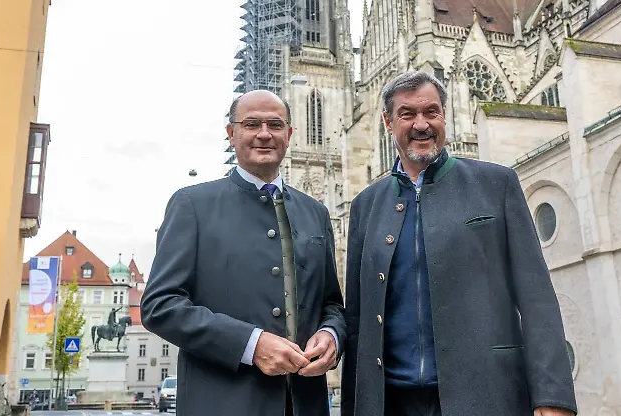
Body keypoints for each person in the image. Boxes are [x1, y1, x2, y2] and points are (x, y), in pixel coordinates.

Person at [341, 71, 577, 416]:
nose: (421, 124)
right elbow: (358, 318)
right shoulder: (366, 204)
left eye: (431, 112)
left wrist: (553, 396)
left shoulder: (496, 184)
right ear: (388, 123)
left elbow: (536, 297)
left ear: (445, 116)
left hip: (485, 395)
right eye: (407, 114)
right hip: (393, 402)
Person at [141, 89, 346, 416]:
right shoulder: (192, 205)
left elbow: (331, 303)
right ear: (231, 133)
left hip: (306, 404)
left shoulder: (316, 212)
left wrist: (331, 334)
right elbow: (160, 305)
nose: (264, 134)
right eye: (251, 124)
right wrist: (251, 344)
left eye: (275, 125)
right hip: (223, 404)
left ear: (289, 134)